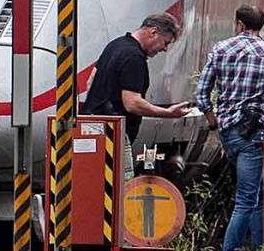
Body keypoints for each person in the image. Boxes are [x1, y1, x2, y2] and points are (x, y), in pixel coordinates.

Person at [195, 4, 264, 251]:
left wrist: (214, 123)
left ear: (239, 24)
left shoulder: (220, 49)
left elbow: (201, 95)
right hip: (251, 134)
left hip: (227, 132)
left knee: (255, 196)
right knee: (246, 198)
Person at [80, 12, 191, 179]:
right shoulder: (134, 57)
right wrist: (168, 113)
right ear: (153, 32)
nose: (165, 48)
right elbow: (132, 103)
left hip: (92, 128)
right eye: (165, 42)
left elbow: (90, 82)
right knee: (122, 185)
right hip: (115, 134)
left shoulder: (114, 46)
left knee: (93, 182)